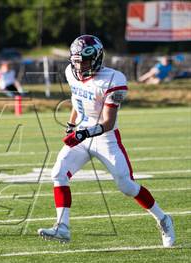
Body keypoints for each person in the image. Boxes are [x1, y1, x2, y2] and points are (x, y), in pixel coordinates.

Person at [38, 35, 175, 247]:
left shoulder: (113, 79)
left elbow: (108, 122)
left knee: (126, 185)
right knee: (58, 173)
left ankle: (163, 218)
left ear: (96, 58)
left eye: (84, 60)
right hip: (82, 134)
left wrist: (83, 133)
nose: (80, 65)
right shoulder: (70, 72)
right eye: (76, 61)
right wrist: (73, 125)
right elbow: (77, 100)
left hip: (105, 138)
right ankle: (62, 227)